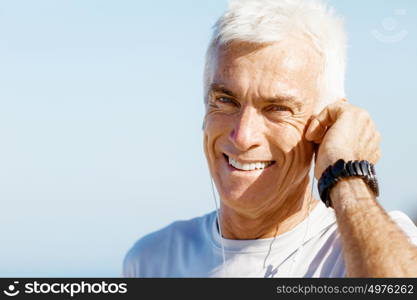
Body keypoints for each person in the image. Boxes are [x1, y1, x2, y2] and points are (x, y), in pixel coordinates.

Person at [123, 0, 417, 277]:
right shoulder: (152, 260)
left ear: (327, 123)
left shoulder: (371, 247)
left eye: (277, 108)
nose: (243, 136)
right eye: (226, 100)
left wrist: (346, 174)